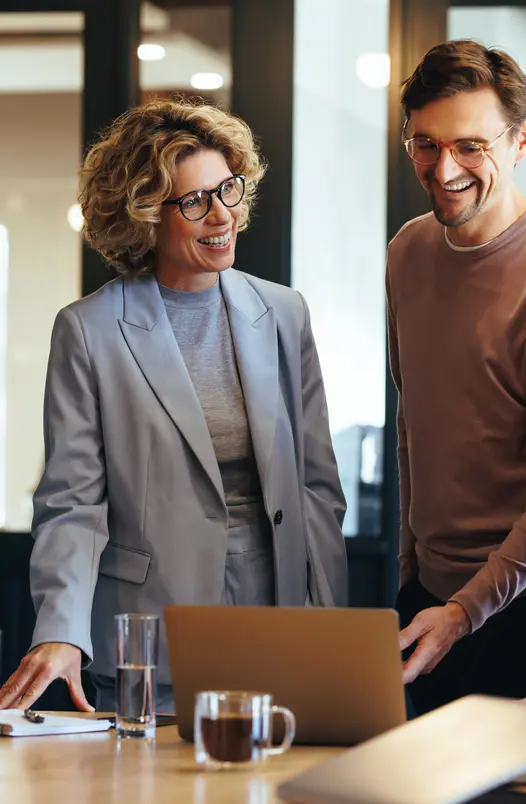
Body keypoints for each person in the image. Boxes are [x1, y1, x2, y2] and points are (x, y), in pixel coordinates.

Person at [0, 99, 348, 714]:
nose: (223, 215)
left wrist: (331, 628)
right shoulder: (90, 330)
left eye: (229, 190)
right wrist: (60, 628)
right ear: (143, 215)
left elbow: (317, 488)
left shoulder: (284, 313)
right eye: (194, 202)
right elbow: (71, 502)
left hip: (278, 624)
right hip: (149, 634)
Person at [387, 39, 526, 716]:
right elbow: (412, 424)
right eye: (424, 144)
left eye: (470, 146)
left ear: (523, 140)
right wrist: (414, 579)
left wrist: (464, 610)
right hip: (425, 603)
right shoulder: (408, 250)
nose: (443, 168)